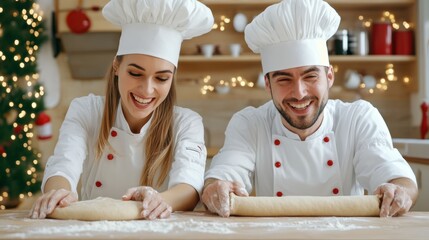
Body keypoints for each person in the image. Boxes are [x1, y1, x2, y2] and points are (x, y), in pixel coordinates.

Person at [202, 0, 418, 218]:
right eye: (284, 79)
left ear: (329, 77)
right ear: (268, 84)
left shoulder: (358, 118)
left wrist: (398, 190)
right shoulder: (250, 123)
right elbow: (226, 172)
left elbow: (394, 175)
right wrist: (216, 188)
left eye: (310, 76)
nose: (299, 93)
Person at [30, 0, 213, 220]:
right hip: (93, 231)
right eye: (135, 74)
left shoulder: (187, 122)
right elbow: (64, 163)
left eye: (162, 78)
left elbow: (189, 186)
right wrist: (57, 193)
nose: (147, 90)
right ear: (117, 67)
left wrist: (160, 201)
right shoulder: (86, 111)